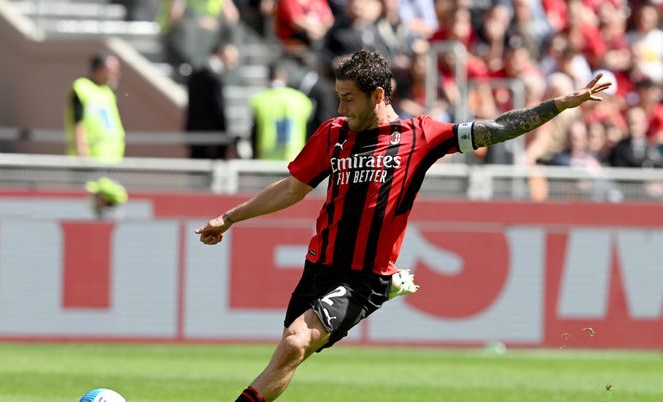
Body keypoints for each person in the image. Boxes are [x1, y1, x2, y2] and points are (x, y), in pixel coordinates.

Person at [195, 50, 610, 402]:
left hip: (362, 277)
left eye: (348, 99)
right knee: (292, 350)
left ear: (378, 95)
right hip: (318, 266)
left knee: (295, 343)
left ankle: (382, 287)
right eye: (338, 98)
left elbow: (495, 129)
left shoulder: (420, 135)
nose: (340, 109)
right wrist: (230, 218)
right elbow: (291, 189)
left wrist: (557, 105)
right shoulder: (334, 134)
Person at [64, 53, 125, 164]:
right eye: (112, 69)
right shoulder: (81, 87)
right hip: (90, 160)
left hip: (111, 159)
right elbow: (78, 123)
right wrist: (82, 155)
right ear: (99, 69)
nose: (116, 74)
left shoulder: (107, 92)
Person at [249, 62, 313, 160]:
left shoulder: (258, 100)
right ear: (285, 76)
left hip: (267, 158)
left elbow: (254, 132)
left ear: (268, 77)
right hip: (295, 157)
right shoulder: (302, 99)